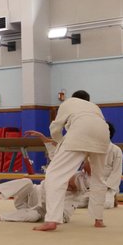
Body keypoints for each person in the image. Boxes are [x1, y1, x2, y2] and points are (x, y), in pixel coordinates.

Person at [33, 90, 111, 233]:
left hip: (80, 133)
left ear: (72, 97)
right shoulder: (94, 107)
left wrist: (60, 141)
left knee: (54, 175)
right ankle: (98, 219)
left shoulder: (68, 103)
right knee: (98, 178)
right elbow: (90, 133)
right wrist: (86, 158)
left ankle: (52, 220)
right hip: (103, 134)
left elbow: (55, 128)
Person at [0, 174, 83, 223]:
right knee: (27, 182)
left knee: (34, 216)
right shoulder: (58, 177)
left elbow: (64, 217)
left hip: (38, 211)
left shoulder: (74, 198)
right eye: (69, 182)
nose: (68, 185)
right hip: (28, 197)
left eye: (72, 186)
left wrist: (49, 209)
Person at [79, 121, 123, 210]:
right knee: (78, 203)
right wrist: (85, 162)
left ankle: (112, 196)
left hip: (106, 186)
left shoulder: (116, 150)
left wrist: (106, 187)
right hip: (91, 185)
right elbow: (87, 171)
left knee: (105, 204)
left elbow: (117, 172)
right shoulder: (91, 149)